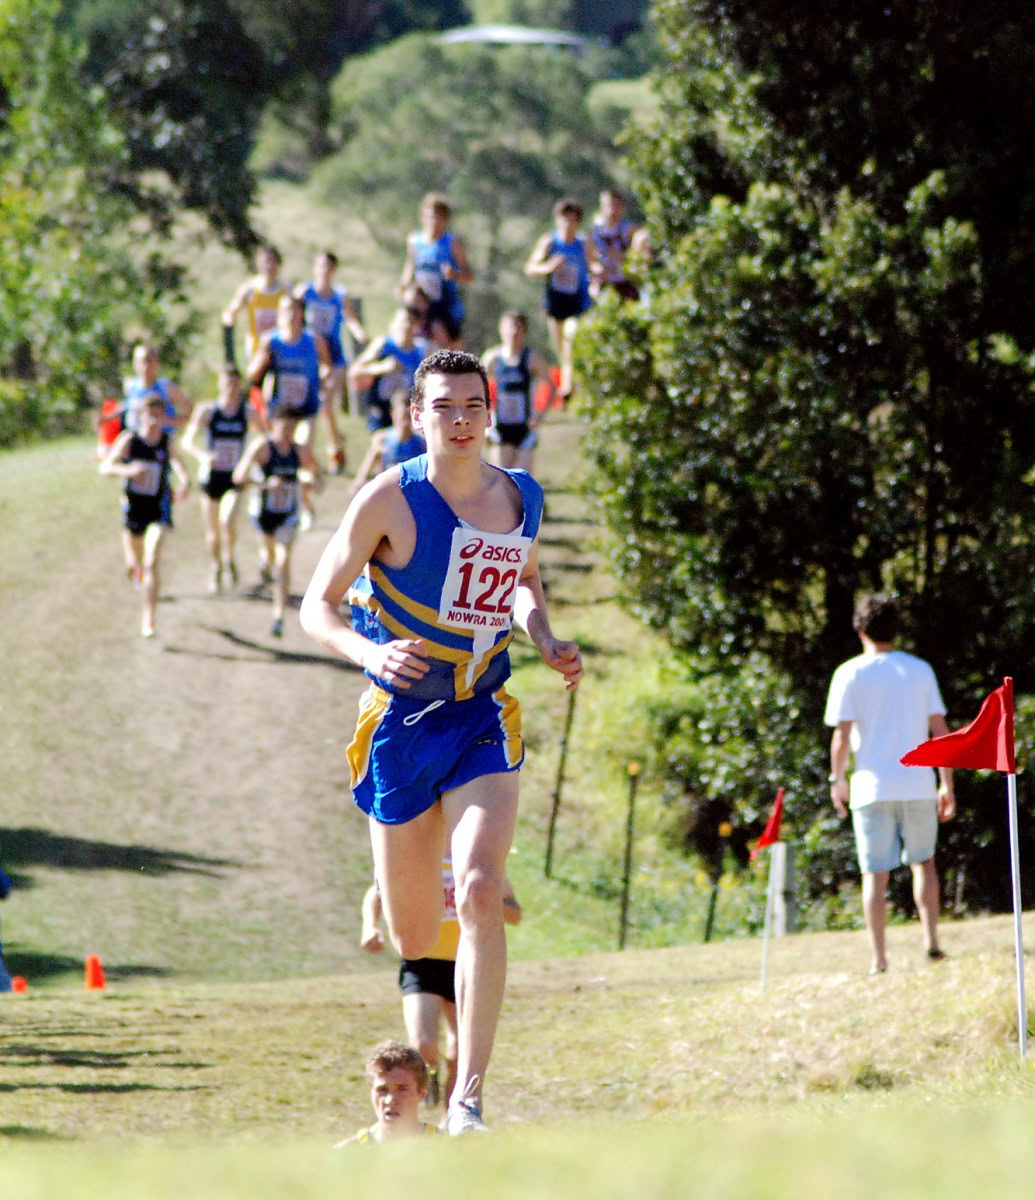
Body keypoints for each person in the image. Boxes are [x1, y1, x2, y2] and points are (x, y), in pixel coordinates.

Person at [300, 349, 582, 1134]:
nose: (458, 420)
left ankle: (468, 1096)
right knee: (414, 933)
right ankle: (401, 887)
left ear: (490, 412)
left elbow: (521, 582)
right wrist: (372, 652)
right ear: (414, 416)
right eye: (442, 407)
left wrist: (546, 636)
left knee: (484, 891)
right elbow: (314, 608)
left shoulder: (520, 496)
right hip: (397, 724)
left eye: (471, 405)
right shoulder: (387, 500)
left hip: (478, 712)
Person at [824, 593, 956, 975]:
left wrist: (837, 780)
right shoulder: (919, 670)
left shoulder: (849, 673)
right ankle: (932, 943)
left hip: (871, 786)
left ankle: (879, 960)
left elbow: (841, 737)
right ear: (896, 629)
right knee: (924, 863)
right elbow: (940, 730)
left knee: (874, 875)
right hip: (917, 782)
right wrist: (946, 783)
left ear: (860, 629)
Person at [360, 857, 522, 1111]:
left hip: (466, 963)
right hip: (422, 961)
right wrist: (369, 927)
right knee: (423, 1042)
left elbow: (515, 913)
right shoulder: (423, 847)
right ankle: (430, 1072)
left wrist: (481, 897)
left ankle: (452, 1117)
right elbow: (378, 890)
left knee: (460, 1052)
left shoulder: (475, 855)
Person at [99, 393, 191, 638]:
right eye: (148, 413)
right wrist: (128, 469)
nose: (153, 418)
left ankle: (149, 620)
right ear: (141, 415)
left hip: (159, 507)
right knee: (136, 565)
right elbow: (105, 467)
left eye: (157, 413)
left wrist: (184, 480)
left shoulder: (166, 441)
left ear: (163, 416)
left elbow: (178, 464)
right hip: (134, 507)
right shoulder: (130, 440)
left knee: (152, 561)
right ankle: (136, 569)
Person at [233, 405, 321, 638]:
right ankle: (265, 562)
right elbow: (239, 477)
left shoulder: (299, 451)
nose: (288, 431)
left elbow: (317, 476)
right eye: (284, 425)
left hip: (288, 516)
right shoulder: (262, 447)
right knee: (271, 556)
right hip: (263, 513)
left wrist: (311, 481)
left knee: (282, 561)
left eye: (293, 427)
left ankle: (278, 616)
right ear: (273, 423)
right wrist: (265, 484)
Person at [248, 293, 331, 531]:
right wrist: (263, 361)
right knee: (280, 457)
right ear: (279, 314)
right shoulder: (270, 341)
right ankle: (287, 502)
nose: (290, 315)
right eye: (285, 310)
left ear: (302, 314)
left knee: (301, 454)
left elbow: (327, 365)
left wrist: (324, 377)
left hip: (305, 410)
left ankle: (304, 507)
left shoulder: (313, 340)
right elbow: (252, 375)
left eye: (295, 310)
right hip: (279, 413)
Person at [296, 250, 367, 475]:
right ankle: (322, 446)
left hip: (334, 356)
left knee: (326, 403)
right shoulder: (304, 292)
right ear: (314, 268)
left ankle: (334, 448)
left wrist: (360, 335)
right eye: (320, 266)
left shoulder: (339, 296)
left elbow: (351, 320)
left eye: (328, 267)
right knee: (308, 406)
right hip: (308, 354)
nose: (323, 271)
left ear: (333, 271)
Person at [182, 365, 251, 593]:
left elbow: (264, 437)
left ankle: (229, 557)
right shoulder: (207, 411)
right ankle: (216, 565)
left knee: (227, 522)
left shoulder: (246, 412)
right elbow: (187, 441)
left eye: (234, 383)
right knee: (212, 532)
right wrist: (203, 456)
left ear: (239, 385)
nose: (230, 388)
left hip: (234, 478)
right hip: (211, 477)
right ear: (219, 384)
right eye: (226, 383)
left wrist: (248, 463)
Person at [525, 197, 600, 402]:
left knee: (571, 338)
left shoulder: (583, 243)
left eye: (573, 220)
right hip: (556, 303)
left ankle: (567, 387)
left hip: (578, 303)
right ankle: (570, 386)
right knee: (562, 350)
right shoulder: (550, 242)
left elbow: (594, 264)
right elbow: (531, 268)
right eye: (565, 219)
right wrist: (549, 267)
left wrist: (598, 273)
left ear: (578, 222)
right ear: (557, 220)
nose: (569, 224)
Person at [481, 311, 555, 472]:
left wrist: (541, 415)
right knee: (500, 479)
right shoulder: (492, 358)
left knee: (523, 482)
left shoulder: (531, 358)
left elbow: (551, 386)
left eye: (518, 328)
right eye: (509, 327)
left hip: (525, 427)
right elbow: (477, 389)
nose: (513, 332)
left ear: (524, 331)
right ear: (501, 330)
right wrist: (485, 419)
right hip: (501, 427)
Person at [399, 194, 474, 348]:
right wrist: (403, 286)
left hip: (444, 303)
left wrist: (455, 275)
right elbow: (410, 267)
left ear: (445, 220)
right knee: (407, 326)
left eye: (438, 218)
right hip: (421, 301)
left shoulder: (452, 243)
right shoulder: (415, 241)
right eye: (430, 217)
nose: (433, 222)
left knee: (444, 339)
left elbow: (470, 276)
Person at [336, 1040, 439, 1146]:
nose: (390, 1100)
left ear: (422, 1093)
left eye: (402, 1089)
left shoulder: (446, 1149)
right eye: (382, 1090)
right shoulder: (349, 1153)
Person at [348, 306, 427, 433]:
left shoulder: (421, 350)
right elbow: (355, 371)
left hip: (408, 411)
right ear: (394, 324)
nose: (406, 326)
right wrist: (381, 367)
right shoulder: (384, 345)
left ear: (417, 327)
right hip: (381, 408)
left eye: (410, 322)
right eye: (402, 321)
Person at [221, 243, 291, 367]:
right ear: (258, 264)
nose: (269, 266)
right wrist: (229, 352)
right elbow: (229, 314)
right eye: (265, 262)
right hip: (256, 352)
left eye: (272, 262)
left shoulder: (286, 290)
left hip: (282, 352)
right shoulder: (250, 290)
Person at [347, 389, 426, 498]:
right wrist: (359, 482)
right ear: (392, 414)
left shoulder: (420, 442)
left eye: (408, 417)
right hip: (388, 491)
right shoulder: (383, 438)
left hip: (414, 493)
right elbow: (372, 457)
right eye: (402, 417)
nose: (405, 422)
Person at [120, 343, 191, 433]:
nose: (145, 366)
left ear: (157, 363)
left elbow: (191, 414)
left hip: (161, 442)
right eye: (141, 361)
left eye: (149, 361)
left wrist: (168, 421)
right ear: (134, 364)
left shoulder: (167, 387)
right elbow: (126, 408)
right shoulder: (130, 386)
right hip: (135, 442)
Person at [590, 188, 639, 302]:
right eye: (608, 205)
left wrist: (623, 256)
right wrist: (597, 268)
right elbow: (590, 259)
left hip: (626, 282)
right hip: (604, 282)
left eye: (616, 205)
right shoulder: (595, 231)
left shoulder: (629, 230)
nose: (612, 210)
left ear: (622, 208)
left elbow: (639, 257)